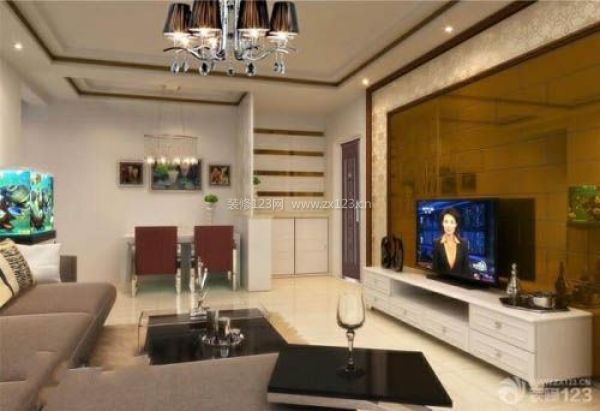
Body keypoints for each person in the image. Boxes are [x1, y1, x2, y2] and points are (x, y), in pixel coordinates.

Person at [432, 208, 471, 277]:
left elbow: (466, 270)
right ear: (442, 223)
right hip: (441, 282)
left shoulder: (464, 243)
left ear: (456, 224)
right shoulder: (436, 243)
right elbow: (434, 269)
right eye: (446, 221)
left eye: (452, 222)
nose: (448, 225)